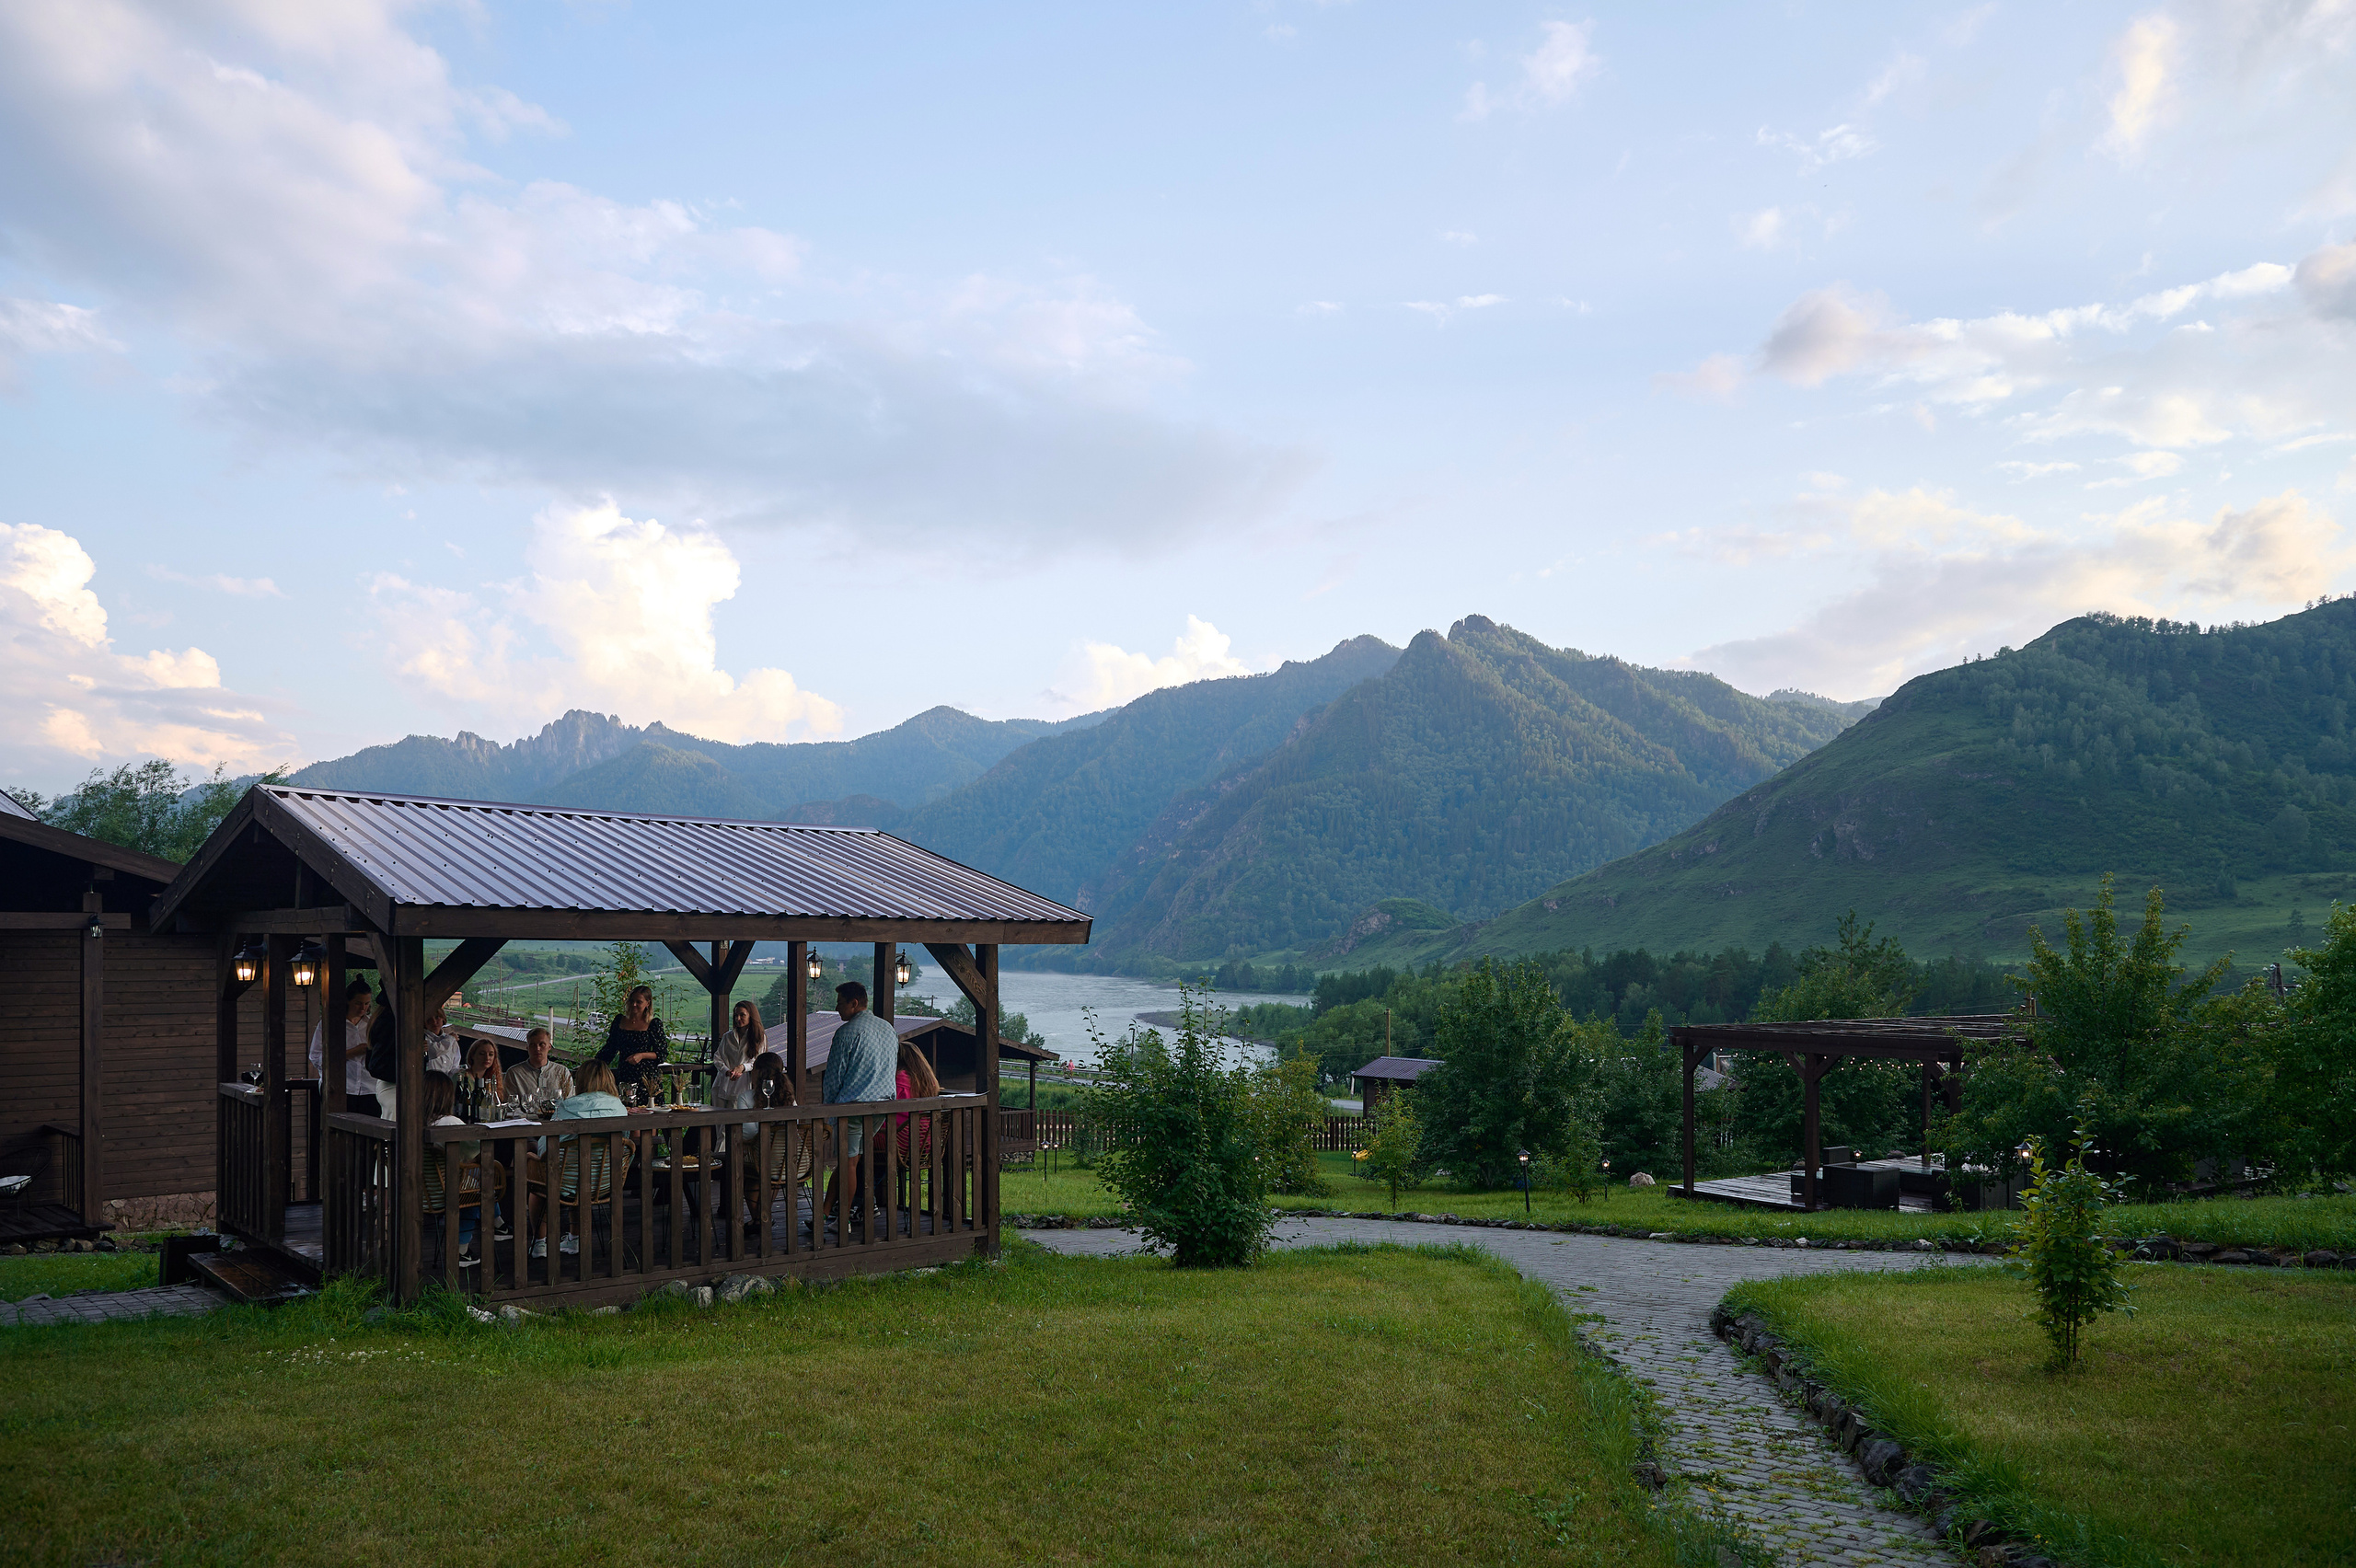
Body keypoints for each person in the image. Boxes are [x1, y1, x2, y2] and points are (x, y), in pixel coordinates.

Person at [527, 1060, 629, 1259]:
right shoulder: (619, 1107)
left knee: (538, 1178)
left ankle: (540, 1242)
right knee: (584, 1173)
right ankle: (574, 1238)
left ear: (580, 1081)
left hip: (565, 1182)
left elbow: (544, 1148)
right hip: (605, 1182)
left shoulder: (567, 1106)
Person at [820, 981, 898, 1225]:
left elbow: (833, 1077)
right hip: (882, 1106)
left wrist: (828, 1112)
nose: (837, 1008)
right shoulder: (888, 1029)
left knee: (849, 1162)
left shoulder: (846, 1033)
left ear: (854, 1004)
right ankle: (825, 1212)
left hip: (852, 1107)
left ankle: (842, 1220)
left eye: (840, 1003)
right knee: (851, 1160)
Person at [422, 1072, 505, 1263]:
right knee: (481, 1181)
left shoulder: (413, 1123)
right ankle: (462, 1249)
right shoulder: (450, 1123)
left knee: (475, 1178)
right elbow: (475, 1150)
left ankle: (498, 1223)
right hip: (446, 1191)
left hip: (421, 1191)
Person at [306, 978, 380, 1116]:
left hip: (370, 1088)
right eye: (358, 1003)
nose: (363, 1008)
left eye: (366, 1003)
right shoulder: (330, 1024)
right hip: (341, 1089)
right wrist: (352, 1052)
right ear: (348, 1001)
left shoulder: (372, 1025)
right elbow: (316, 1058)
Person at [596, 985, 666, 1090]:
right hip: (624, 1075)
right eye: (632, 1001)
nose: (634, 1004)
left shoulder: (653, 1024)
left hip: (647, 1079)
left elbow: (662, 1053)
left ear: (648, 1003)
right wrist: (593, 1065)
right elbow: (610, 1048)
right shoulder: (620, 1020)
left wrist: (641, 1055)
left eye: (639, 1002)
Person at [895, 1038, 941, 1166]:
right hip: (924, 1140)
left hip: (901, 1141)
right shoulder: (928, 1081)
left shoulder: (899, 1079)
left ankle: (871, 1184)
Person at [506, 1027, 572, 1109]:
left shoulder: (562, 1072)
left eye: (542, 1044)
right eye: (533, 1045)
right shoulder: (514, 1073)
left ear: (549, 1047)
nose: (537, 1049)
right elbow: (511, 1104)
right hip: (526, 1119)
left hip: (556, 1119)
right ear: (527, 1047)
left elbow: (570, 1102)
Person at [458, 1036, 507, 1121]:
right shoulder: (461, 1077)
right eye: (482, 1054)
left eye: (491, 1054)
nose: (487, 1058)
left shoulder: (492, 1078)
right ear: (472, 1055)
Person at [422, 1007, 463, 1076]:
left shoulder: (452, 1041)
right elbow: (435, 1051)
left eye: (437, 1017)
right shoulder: (423, 1039)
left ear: (443, 1018)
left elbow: (454, 1066)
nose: (434, 1022)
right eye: (429, 1019)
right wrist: (451, 1039)